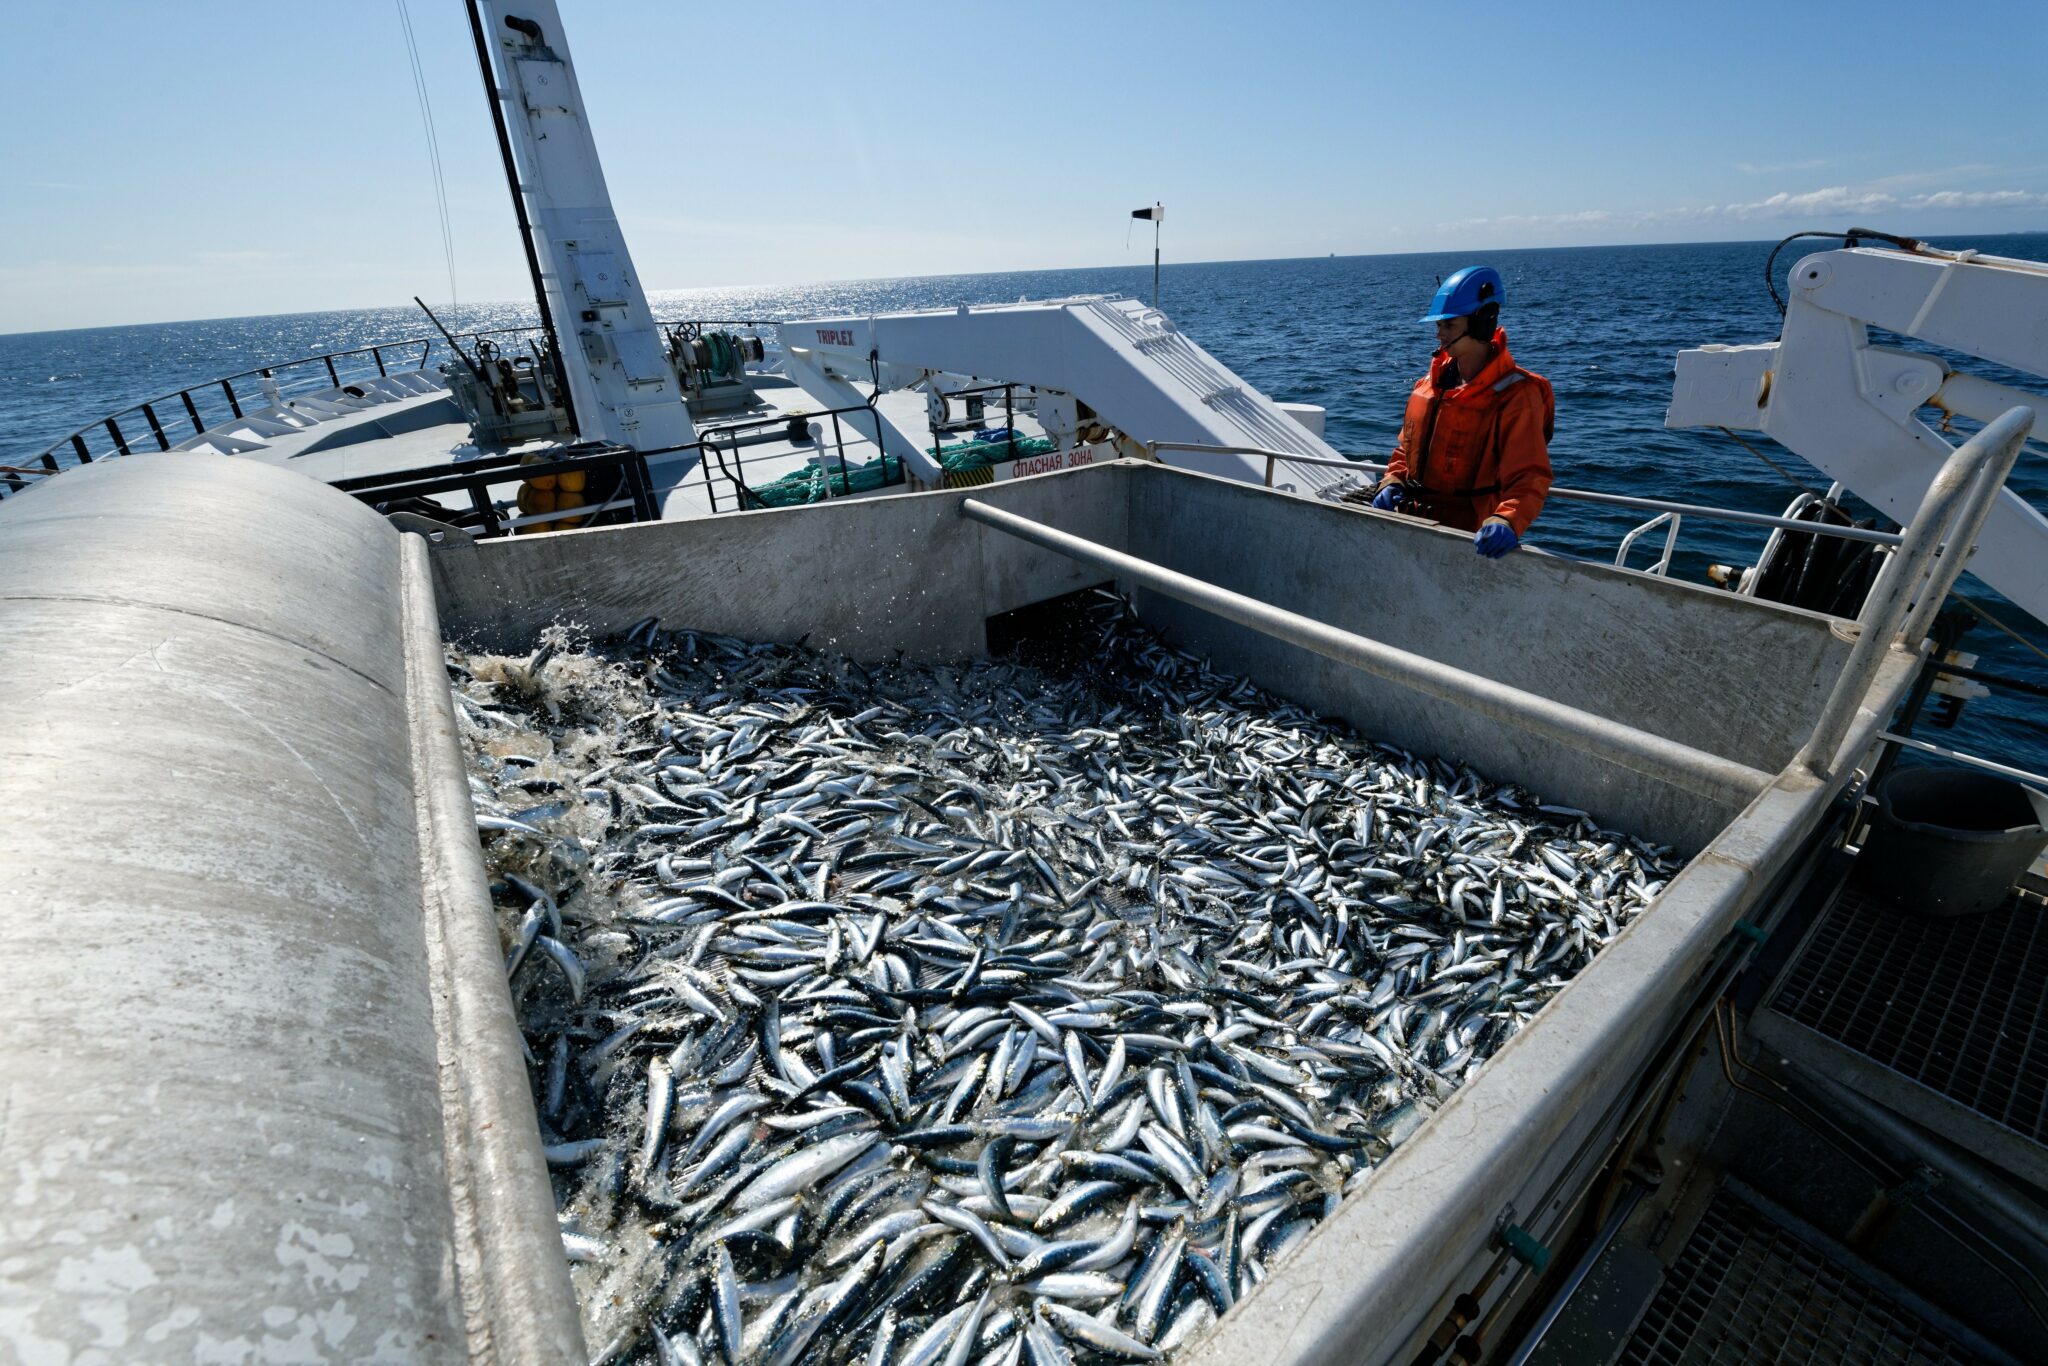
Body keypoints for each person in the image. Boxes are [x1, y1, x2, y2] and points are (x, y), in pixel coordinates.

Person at [1371, 266, 1554, 558]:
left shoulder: (1516, 395)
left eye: (1449, 326)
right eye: (1438, 326)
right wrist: (1393, 479)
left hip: (1472, 540)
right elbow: (1405, 452)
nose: (1439, 335)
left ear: (1482, 322)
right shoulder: (1427, 386)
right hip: (1413, 527)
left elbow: (1529, 475)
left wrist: (1507, 519)